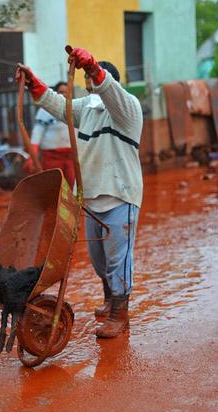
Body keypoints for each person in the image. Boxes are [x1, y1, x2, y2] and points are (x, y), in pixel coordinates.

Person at [16, 47, 143, 338]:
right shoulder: (87, 107)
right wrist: (35, 85)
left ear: (108, 83)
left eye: (94, 82)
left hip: (119, 196)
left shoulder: (128, 109)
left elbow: (111, 93)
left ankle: (119, 315)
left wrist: (95, 69)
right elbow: (59, 105)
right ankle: (110, 298)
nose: (91, 89)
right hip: (90, 197)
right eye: (88, 83)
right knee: (100, 260)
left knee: (118, 259)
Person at [26, 81, 75, 188]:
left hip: (72, 157)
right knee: (54, 187)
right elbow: (36, 135)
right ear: (55, 94)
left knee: (73, 188)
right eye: (61, 92)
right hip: (51, 158)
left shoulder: (75, 109)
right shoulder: (44, 111)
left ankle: (73, 205)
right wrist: (32, 157)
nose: (64, 94)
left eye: (67, 92)